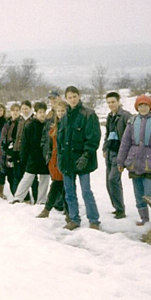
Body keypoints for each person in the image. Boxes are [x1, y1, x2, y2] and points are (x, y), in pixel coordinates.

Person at [117, 95, 151, 226]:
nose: (143, 108)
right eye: (140, 105)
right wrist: (120, 161)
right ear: (137, 107)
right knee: (138, 193)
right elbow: (125, 142)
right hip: (134, 162)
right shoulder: (132, 121)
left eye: (145, 105)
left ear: (150, 106)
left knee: (149, 192)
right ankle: (144, 219)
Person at [57, 86, 102, 230]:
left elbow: (94, 138)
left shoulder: (88, 114)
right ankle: (74, 219)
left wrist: (86, 155)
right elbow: (60, 140)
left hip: (83, 160)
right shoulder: (64, 117)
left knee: (86, 191)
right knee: (69, 192)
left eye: (74, 96)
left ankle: (94, 220)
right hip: (67, 161)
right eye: (69, 97)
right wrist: (60, 158)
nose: (72, 100)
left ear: (79, 96)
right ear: (66, 99)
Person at [11, 101, 50, 204]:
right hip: (32, 157)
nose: (42, 114)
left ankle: (41, 200)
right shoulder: (30, 125)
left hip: (44, 157)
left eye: (43, 112)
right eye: (40, 112)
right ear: (36, 113)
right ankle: (18, 197)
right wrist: (23, 158)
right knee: (27, 178)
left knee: (44, 179)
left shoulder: (48, 125)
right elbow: (24, 144)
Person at [36, 100, 69, 220]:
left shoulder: (69, 125)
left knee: (65, 187)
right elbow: (49, 146)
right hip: (54, 162)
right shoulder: (54, 127)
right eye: (58, 111)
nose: (60, 113)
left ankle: (66, 212)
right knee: (57, 185)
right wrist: (48, 158)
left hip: (65, 161)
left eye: (62, 111)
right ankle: (49, 209)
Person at [102, 91, 132, 219]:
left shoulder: (125, 116)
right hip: (110, 152)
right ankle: (117, 207)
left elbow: (131, 136)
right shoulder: (110, 116)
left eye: (113, 102)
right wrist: (104, 148)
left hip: (120, 153)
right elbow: (107, 133)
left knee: (113, 179)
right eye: (108, 102)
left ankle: (121, 209)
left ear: (119, 102)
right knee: (108, 182)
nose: (111, 104)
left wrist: (126, 155)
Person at [0, 103, 22, 196]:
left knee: (17, 176)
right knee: (10, 176)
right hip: (7, 151)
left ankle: (19, 196)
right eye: (13, 110)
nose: (15, 112)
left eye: (17, 110)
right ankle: (15, 194)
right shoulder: (7, 122)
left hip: (16, 152)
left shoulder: (21, 122)